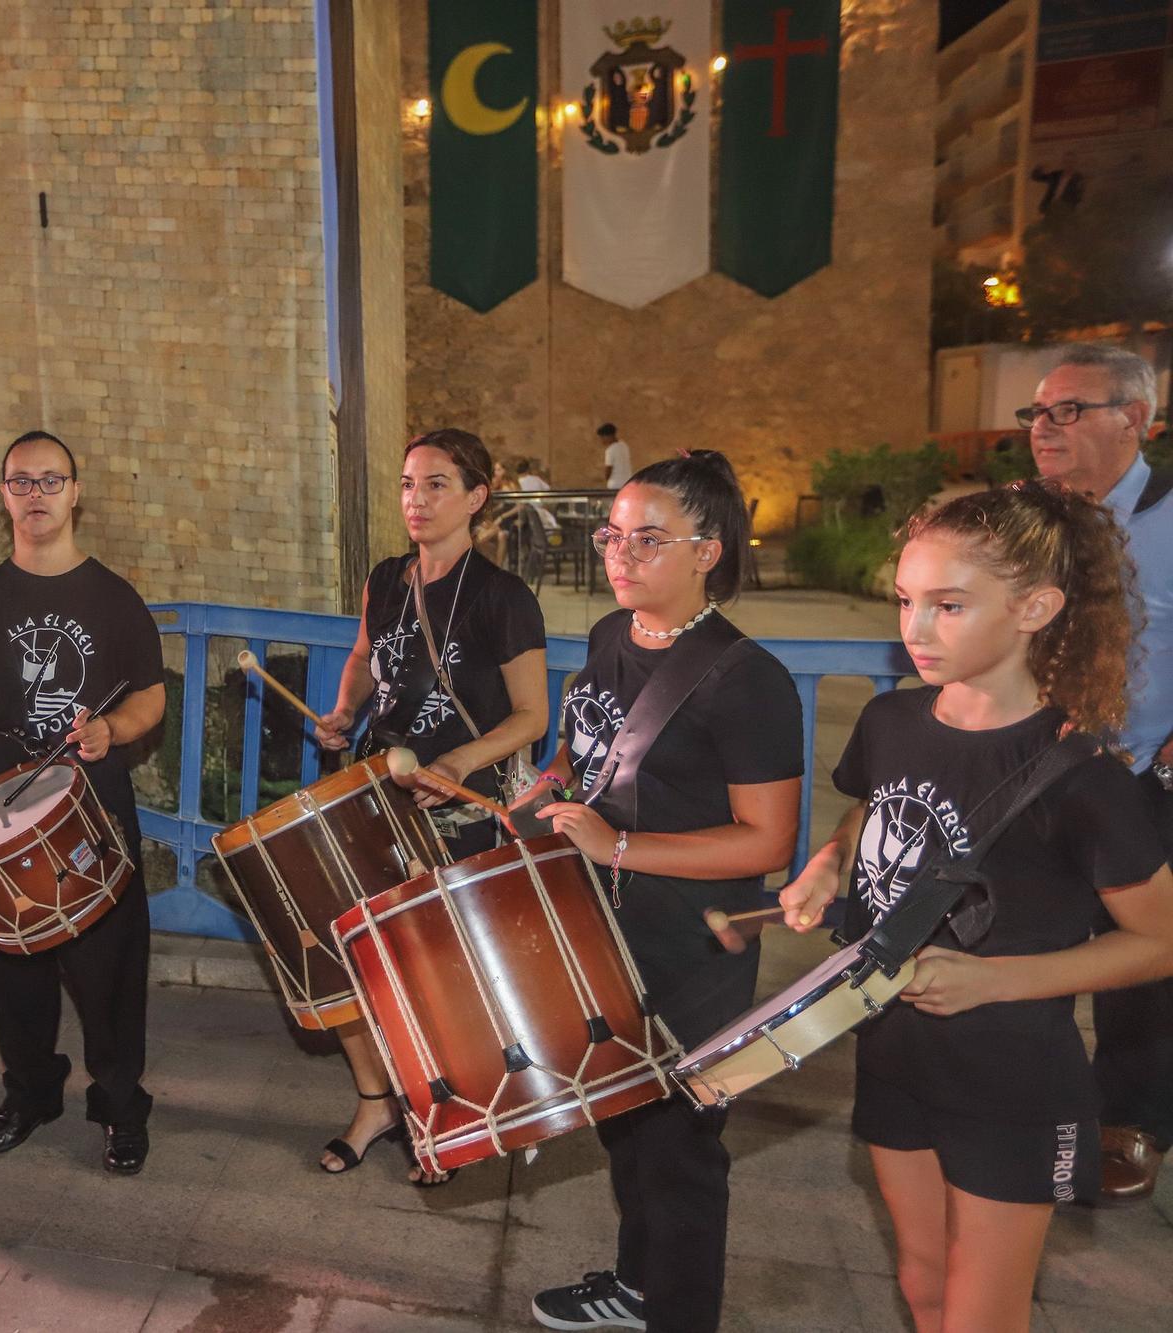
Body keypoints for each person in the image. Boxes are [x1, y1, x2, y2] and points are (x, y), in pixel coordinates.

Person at [778, 482, 1173, 1333]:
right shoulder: (890, 719)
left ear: (1037, 606)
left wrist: (994, 981)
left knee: (982, 1314)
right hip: (892, 1051)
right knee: (922, 1281)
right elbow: (873, 806)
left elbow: (1160, 940)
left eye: (948, 605)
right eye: (907, 601)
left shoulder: (1087, 778)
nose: (914, 630)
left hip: (1012, 1075)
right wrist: (826, 861)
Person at [523, 451, 803, 1332]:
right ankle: (638, 1286)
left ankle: (681, 1312)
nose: (620, 553)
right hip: (604, 922)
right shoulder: (613, 635)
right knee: (625, 1124)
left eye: (648, 539)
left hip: (691, 944)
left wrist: (622, 843)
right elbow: (590, 751)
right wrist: (548, 785)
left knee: (680, 1145)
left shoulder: (748, 678)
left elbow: (770, 839)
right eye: (613, 534)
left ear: (708, 550)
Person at [0, 429, 167, 1174]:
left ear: (75, 491)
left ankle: (121, 1104)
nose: (36, 495)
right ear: (4, 495)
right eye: (21, 482)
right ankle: (31, 1092)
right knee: (14, 973)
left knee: (109, 973)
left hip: (91, 806)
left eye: (50, 481)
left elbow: (151, 695)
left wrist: (112, 728)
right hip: (2, 812)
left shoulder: (114, 598)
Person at [311, 429, 548, 1181]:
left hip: (460, 807)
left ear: (477, 497)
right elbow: (362, 656)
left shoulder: (502, 597)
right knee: (352, 955)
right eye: (410, 484)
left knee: (445, 972)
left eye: (437, 484)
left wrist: (455, 762)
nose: (417, 499)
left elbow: (533, 715)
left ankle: (454, 1112)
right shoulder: (385, 578)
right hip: (379, 795)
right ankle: (378, 1101)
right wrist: (344, 708)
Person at [1020, 344, 1173, 1204]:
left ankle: (1131, 1121)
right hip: (1037, 766)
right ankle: (1033, 1099)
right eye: (1038, 413)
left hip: (1143, 774)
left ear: (1136, 421)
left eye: (1069, 410)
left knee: (1142, 964)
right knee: (1024, 936)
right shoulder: (1031, 517)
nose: (1045, 428)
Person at [600, 423, 633, 490]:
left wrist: (606, 478)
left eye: (603, 437)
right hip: (627, 482)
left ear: (609, 436)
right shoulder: (624, 446)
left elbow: (608, 469)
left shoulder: (610, 450)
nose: (602, 440)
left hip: (615, 485)